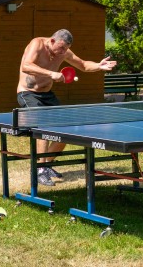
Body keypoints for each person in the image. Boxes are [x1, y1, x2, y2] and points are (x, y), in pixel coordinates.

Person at [17, 29, 117, 186]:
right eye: (61, 48)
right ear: (52, 41)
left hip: (47, 94)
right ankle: (39, 170)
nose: (63, 52)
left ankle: (46, 164)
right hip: (27, 93)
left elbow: (83, 65)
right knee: (42, 126)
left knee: (65, 127)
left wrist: (99, 65)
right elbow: (26, 66)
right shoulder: (37, 44)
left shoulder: (64, 52)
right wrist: (51, 74)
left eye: (65, 49)